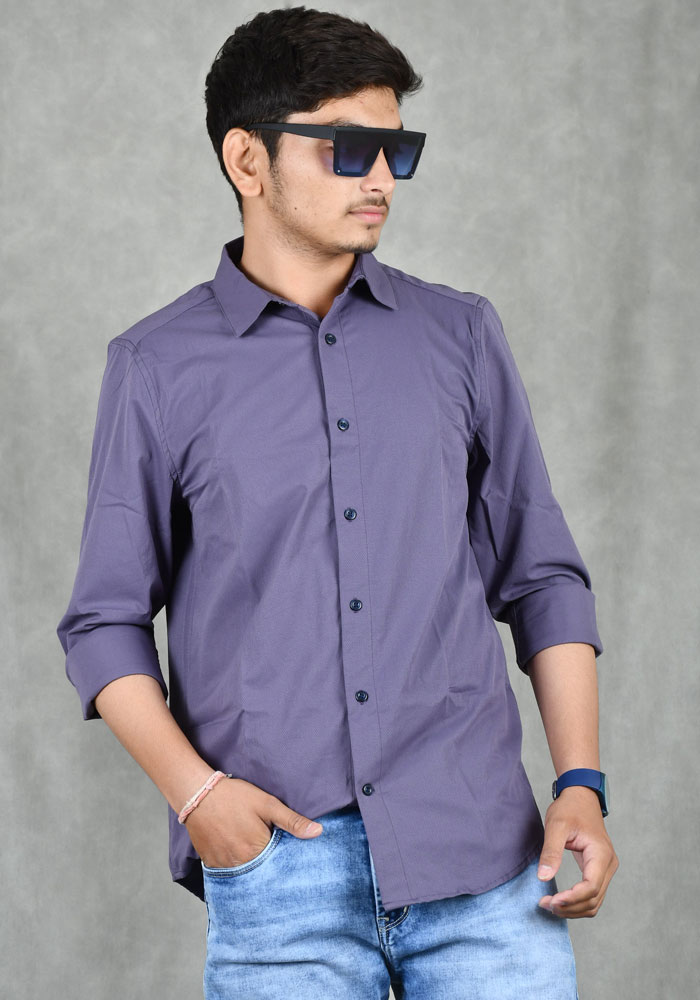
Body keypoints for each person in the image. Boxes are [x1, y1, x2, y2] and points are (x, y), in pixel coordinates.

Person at [56, 6, 618, 998]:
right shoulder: (156, 367)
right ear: (247, 159)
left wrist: (581, 782)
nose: (380, 179)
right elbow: (103, 624)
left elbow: (541, 577)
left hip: (483, 857)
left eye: (397, 150)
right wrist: (200, 799)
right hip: (281, 870)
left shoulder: (459, 336)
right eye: (347, 148)